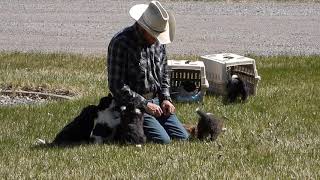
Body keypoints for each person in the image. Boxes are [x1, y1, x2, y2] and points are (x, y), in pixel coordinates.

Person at [107, 1, 189, 144]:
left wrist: (165, 98)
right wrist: (145, 104)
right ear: (143, 28)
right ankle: (122, 126)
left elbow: (164, 74)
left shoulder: (158, 42)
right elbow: (116, 86)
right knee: (164, 141)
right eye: (154, 35)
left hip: (156, 101)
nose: (157, 39)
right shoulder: (120, 43)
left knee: (183, 137)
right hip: (132, 106)